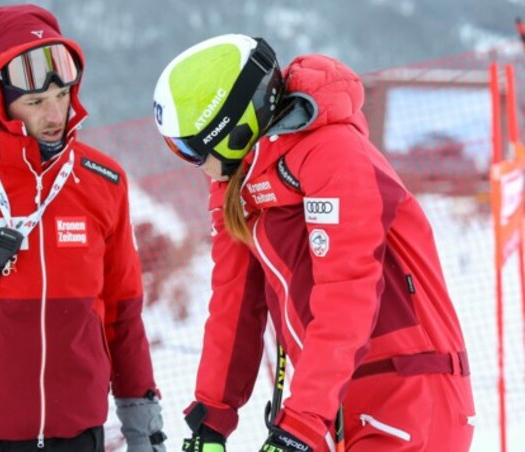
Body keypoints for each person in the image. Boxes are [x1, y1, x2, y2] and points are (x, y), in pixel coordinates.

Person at [152, 34, 475, 451]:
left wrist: (300, 424)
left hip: (407, 393)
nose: (195, 165)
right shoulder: (237, 190)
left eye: (192, 149)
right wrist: (212, 418)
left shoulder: (335, 154)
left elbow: (347, 294)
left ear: (233, 130)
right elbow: (234, 305)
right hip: (328, 406)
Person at [0, 5, 166, 451]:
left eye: (63, 96)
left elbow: (123, 315)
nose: (55, 114)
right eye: (35, 102)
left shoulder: (103, 182)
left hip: (73, 434)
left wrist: (142, 425)